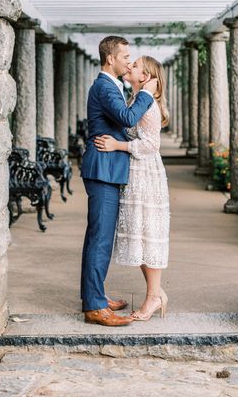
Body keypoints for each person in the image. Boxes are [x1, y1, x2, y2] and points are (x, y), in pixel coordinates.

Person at [80, 36, 158, 327]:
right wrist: (147, 94)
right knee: (99, 239)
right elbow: (126, 117)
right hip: (102, 169)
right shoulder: (104, 86)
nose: (129, 60)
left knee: (101, 238)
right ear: (110, 59)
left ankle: (95, 295)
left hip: (108, 169)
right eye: (125, 56)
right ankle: (95, 307)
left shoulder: (112, 85)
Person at [94, 55, 170, 322]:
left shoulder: (146, 105)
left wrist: (118, 146)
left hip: (146, 174)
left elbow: (151, 145)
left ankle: (153, 298)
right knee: (138, 238)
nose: (130, 66)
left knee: (148, 236)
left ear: (146, 77)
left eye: (135, 65)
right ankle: (157, 292)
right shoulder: (136, 100)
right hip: (135, 174)